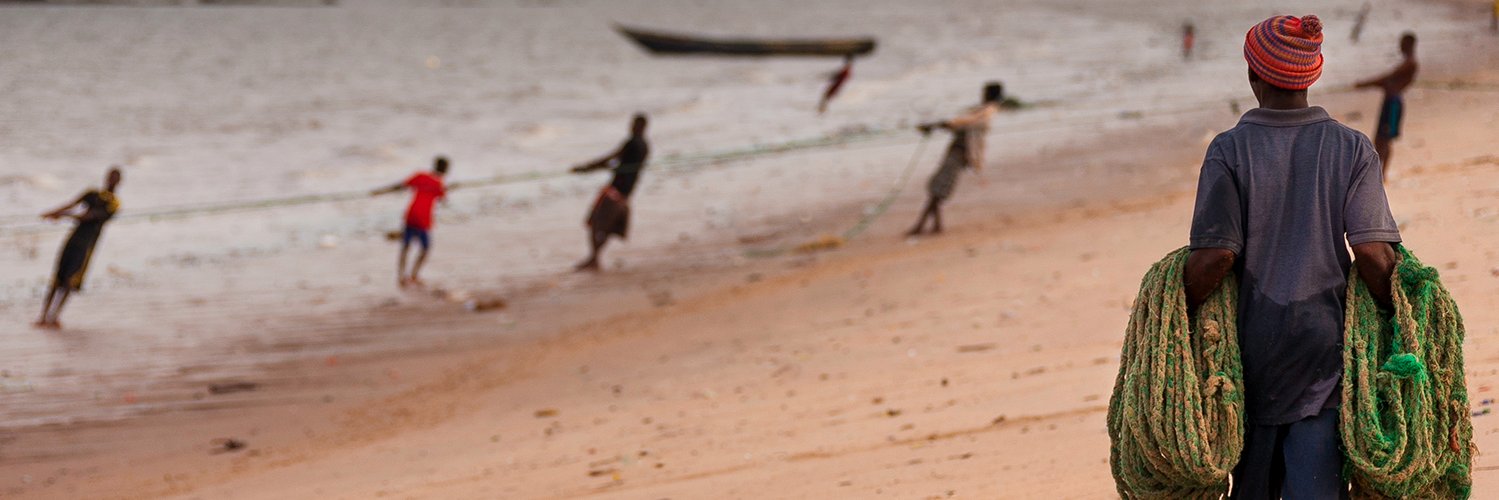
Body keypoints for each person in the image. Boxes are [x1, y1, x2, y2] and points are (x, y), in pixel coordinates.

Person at [1184, 15, 1402, 498]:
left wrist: (1175, 311)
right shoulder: (1352, 148)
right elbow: (1371, 251)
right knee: (1317, 482)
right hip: (1324, 350)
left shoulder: (1228, 150)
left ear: (1251, 74)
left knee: (1253, 486)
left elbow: (1216, 256)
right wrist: (1396, 314)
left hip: (1249, 350)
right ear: (1313, 74)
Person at [907, 82, 1002, 236]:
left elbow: (965, 122)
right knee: (938, 187)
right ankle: (935, 225)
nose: (982, 95)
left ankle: (921, 226)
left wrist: (939, 124)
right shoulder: (981, 111)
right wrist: (937, 126)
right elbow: (960, 124)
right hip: (956, 151)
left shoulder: (987, 111)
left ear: (990, 94)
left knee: (938, 188)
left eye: (985, 92)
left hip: (961, 153)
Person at [36, 167, 122, 330]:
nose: (110, 180)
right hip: (73, 238)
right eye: (110, 176)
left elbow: (88, 216)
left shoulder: (114, 204)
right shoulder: (92, 194)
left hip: (87, 244)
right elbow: (71, 204)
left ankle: (55, 316)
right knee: (57, 277)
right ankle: (42, 316)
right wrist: (52, 213)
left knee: (70, 280)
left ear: (118, 182)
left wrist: (61, 215)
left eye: (114, 178)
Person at [571, 114, 649, 272]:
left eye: (634, 123)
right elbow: (619, 163)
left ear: (640, 126)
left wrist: (586, 168)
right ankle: (594, 258)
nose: (631, 126)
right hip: (627, 193)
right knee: (607, 227)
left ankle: (593, 258)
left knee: (595, 223)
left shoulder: (632, 143)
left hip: (615, 191)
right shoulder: (645, 146)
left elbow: (611, 158)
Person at [372, 156, 448, 287]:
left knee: (405, 247)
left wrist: (380, 191)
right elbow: (443, 200)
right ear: (445, 169)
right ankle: (414, 275)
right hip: (423, 220)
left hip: (411, 216)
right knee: (425, 248)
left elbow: (400, 186)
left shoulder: (421, 176)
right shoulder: (439, 183)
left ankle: (402, 277)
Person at [1355, 32, 1418, 182]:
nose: (1400, 46)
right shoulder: (1407, 63)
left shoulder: (1410, 63)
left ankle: (1383, 173)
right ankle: (1381, 172)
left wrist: (1364, 84)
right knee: (1380, 139)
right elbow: (1386, 81)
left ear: (1409, 44)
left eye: (1402, 43)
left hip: (1393, 103)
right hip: (1390, 101)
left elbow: (1387, 78)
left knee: (1385, 138)